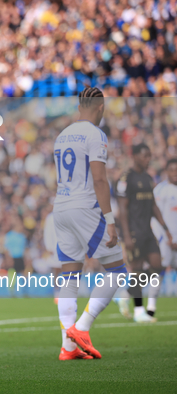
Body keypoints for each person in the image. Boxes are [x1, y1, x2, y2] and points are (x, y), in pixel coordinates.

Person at [54, 87, 127, 361]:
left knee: (70, 276)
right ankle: (82, 329)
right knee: (118, 271)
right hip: (84, 207)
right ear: (100, 106)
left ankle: (68, 347)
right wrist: (110, 220)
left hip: (60, 207)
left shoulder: (62, 136)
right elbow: (99, 179)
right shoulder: (96, 134)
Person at [116, 144, 173, 322]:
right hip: (133, 231)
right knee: (138, 270)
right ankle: (139, 311)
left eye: (149, 156)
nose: (148, 159)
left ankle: (125, 293)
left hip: (148, 230)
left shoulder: (148, 178)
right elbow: (122, 209)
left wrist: (165, 228)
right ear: (134, 156)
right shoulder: (126, 178)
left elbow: (153, 206)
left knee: (157, 266)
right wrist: (126, 235)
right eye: (144, 156)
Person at [149, 158, 177, 316]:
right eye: (172, 170)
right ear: (166, 172)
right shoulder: (161, 190)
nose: (175, 173)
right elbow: (155, 216)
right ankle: (151, 307)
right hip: (165, 241)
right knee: (158, 271)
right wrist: (166, 238)